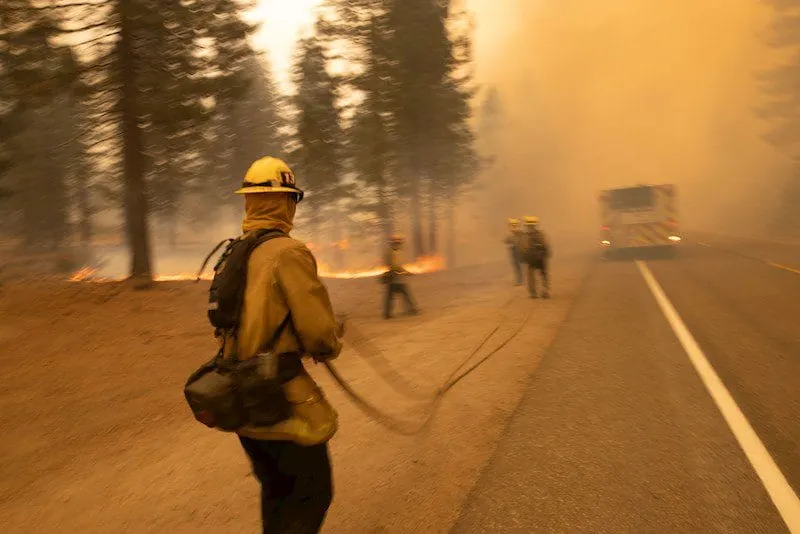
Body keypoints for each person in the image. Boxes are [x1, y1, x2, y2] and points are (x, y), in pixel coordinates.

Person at [230, 156, 344, 533]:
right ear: (286, 202)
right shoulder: (288, 252)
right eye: (292, 200)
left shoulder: (235, 252)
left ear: (249, 201)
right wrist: (328, 343)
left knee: (277, 491)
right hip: (280, 395)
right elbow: (318, 332)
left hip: (239, 395)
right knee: (312, 492)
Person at [381, 234, 419, 319]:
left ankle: (387, 313)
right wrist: (405, 272)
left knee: (391, 297)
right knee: (404, 294)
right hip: (396, 278)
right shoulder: (393, 253)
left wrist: (404, 271)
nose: (399, 245)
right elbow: (395, 266)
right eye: (398, 243)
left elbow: (392, 265)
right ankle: (411, 310)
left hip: (395, 278)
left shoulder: (392, 252)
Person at [521, 215, 551, 298]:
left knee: (531, 276)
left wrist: (524, 257)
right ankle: (544, 291)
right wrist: (546, 254)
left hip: (532, 259)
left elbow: (523, 248)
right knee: (543, 275)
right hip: (539, 258)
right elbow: (545, 245)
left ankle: (533, 292)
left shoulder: (525, 236)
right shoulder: (540, 234)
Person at [504, 218, 523, 285]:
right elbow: (506, 241)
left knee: (518, 266)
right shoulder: (511, 233)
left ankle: (520, 280)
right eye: (512, 225)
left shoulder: (519, 233)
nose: (513, 226)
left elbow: (506, 241)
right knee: (517, 266)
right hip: (514, 251)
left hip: (519, 251)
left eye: (514, 225)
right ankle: (519, 280)